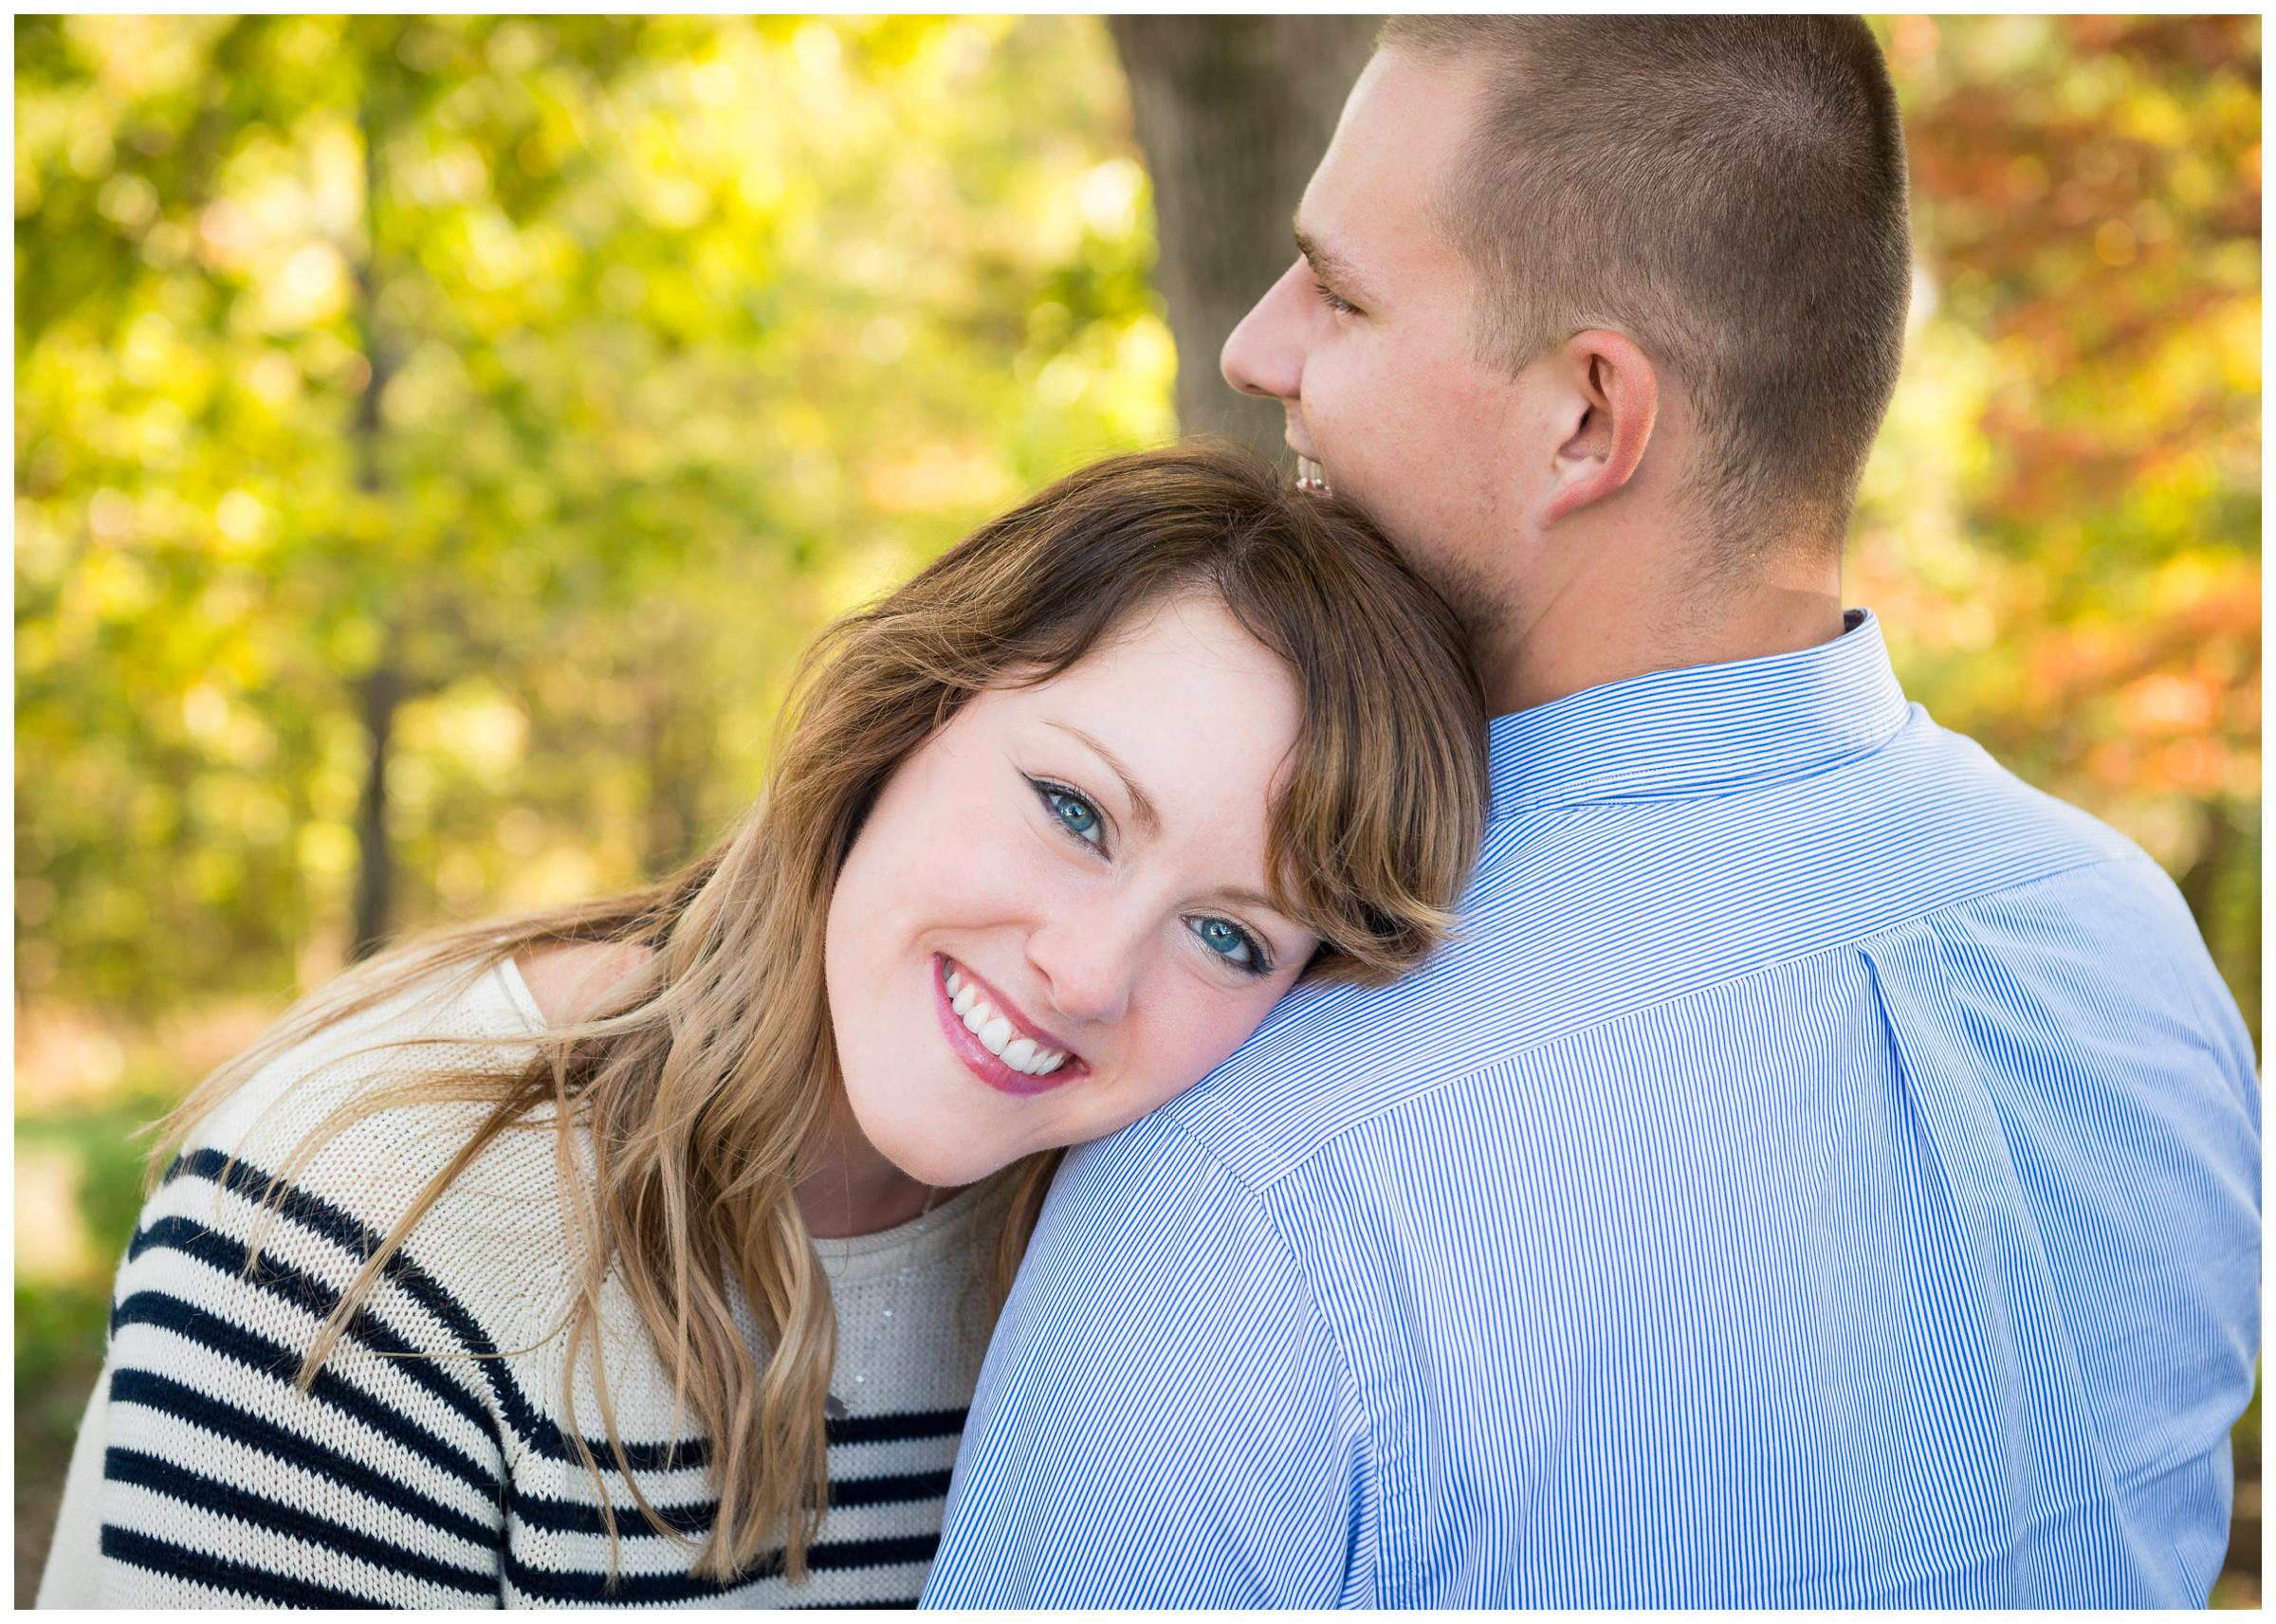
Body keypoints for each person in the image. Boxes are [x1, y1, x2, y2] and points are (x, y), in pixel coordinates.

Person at [922, 17, 2260, 1609]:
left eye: (1341, 292)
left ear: (1585, 421)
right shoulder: (2133, 954)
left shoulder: (1240, 1172)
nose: (1258, 348)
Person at [34, 443, 1490, 1608]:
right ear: (905, 714)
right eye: (1074, 810)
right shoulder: (364, 1218)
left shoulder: (1138, 1288)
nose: (1091, 972)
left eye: (1229, 934)